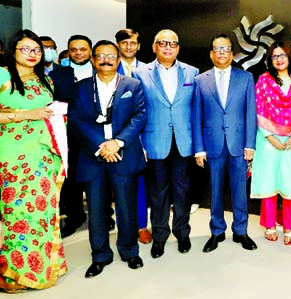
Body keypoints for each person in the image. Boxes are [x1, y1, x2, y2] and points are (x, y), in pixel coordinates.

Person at [68, 40, 147, 278]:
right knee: (97, 209)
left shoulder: (133, 85)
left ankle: (129, 251)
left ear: (118, 59)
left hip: (123, 154)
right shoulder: (81, 88)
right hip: (94, 156)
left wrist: (117, 142)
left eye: (111, 55)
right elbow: (76, 119)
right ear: (93, 60)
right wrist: (101, 145)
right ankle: (100, 255)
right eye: (100, 55)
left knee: (126, 207)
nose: (106, 59)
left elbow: (139, 115)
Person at [0, 29, 67, 292]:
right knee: (17, 214)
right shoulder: (3, 76)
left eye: (37, 50)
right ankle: (14, 274)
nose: (33, 55)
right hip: (13, 156)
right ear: (12, 50)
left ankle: (44, 268)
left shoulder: (45, 81)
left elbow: (48, 114)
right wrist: (26, 114)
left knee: (43, 213)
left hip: (43, 157)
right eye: (26, 49)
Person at [134, 29, 198, 258]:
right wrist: (140, 144)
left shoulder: (192, 73)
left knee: (182, 191)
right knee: (158, 193)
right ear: (154, 47)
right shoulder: (140, 73)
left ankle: (182, 233)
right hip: (154, 141)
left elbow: (195, 110)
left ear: (178, 47)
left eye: (173, 43)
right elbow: (137, 111)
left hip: (184, 141)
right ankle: (159, 236)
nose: (168, 47)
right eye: (163, 43)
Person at [192, 33, 258, 252]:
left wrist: (250, 144)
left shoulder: (245, 77)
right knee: (215, 190)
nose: (221, 53)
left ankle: (241, 231)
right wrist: (199, 149)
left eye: (225, 49)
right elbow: (196, 116)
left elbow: (251, 113)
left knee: (240, 190)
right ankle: (217, 231)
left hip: (239, 145)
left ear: (232, 53)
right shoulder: (201, 80)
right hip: (212, 145)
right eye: (217, 49)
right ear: (211, 53)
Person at [251, 41, 291, 245]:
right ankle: (269, 225)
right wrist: (270, 137)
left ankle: (289, 226)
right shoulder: (264, 80)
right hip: (268, 139)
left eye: (282, 55)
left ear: (289, 57)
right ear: (270, 59)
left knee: (290, 181)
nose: (278, 59)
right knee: (269, 181)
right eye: (274, 56)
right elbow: (258, 110)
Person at [49, 34, 94, 238]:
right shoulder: (58, 75)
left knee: (98, 178)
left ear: (90, 51)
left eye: (82, 49)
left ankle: (103, 215)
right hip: (67, 135)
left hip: (96, 134)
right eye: (73, 49)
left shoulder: (100, 71)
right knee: (71, 179)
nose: (78, 53)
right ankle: (74, 217)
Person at [115, 28, 151, 244]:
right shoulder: (107, 68)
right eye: (124, 43)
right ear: (118, 45)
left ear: (138, 45)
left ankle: (141, 226)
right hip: (117, 135)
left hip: (143, 133)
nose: (129, 46)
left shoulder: (147, 70)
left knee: (140, 182)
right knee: (120, 182)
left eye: (133, 43)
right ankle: (124, 227)